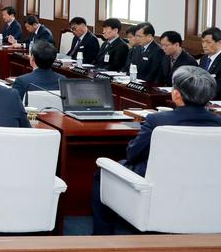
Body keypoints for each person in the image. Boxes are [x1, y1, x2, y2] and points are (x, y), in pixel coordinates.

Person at [91, 66, 221, 235]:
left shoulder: (157, 120)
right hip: (206, 187)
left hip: (156, 186)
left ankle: (102, 236)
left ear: (176, 94)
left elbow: (133, 154)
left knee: (103, 172)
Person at [200, 27, 221, 99]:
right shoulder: (204, 59)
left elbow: (218, 89)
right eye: (203, 42)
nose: (204, 45)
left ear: (219, 43)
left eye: (208, 42)